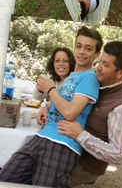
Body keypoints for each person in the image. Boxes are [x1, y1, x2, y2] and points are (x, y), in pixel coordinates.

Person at [0, 27, 101, 187]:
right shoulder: (70, 78)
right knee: (5, 177)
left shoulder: (90, 78)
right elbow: (61, 103)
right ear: (74, 47)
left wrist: (50, 89)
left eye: (88, 48)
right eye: (79, 46)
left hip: (62, 144)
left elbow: (69, 113)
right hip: (40, 137)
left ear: (97, 55)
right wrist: (47, 107)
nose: (82, 51)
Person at [58, 41, 122, 185]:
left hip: (84, 165)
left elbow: (118, 154)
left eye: (106, 65)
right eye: (100, 61)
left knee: (42, 174)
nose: (98, 67)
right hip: (70, 147)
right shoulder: (101, 82)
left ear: (120, 73)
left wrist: (80, 135)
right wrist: (48, 107)